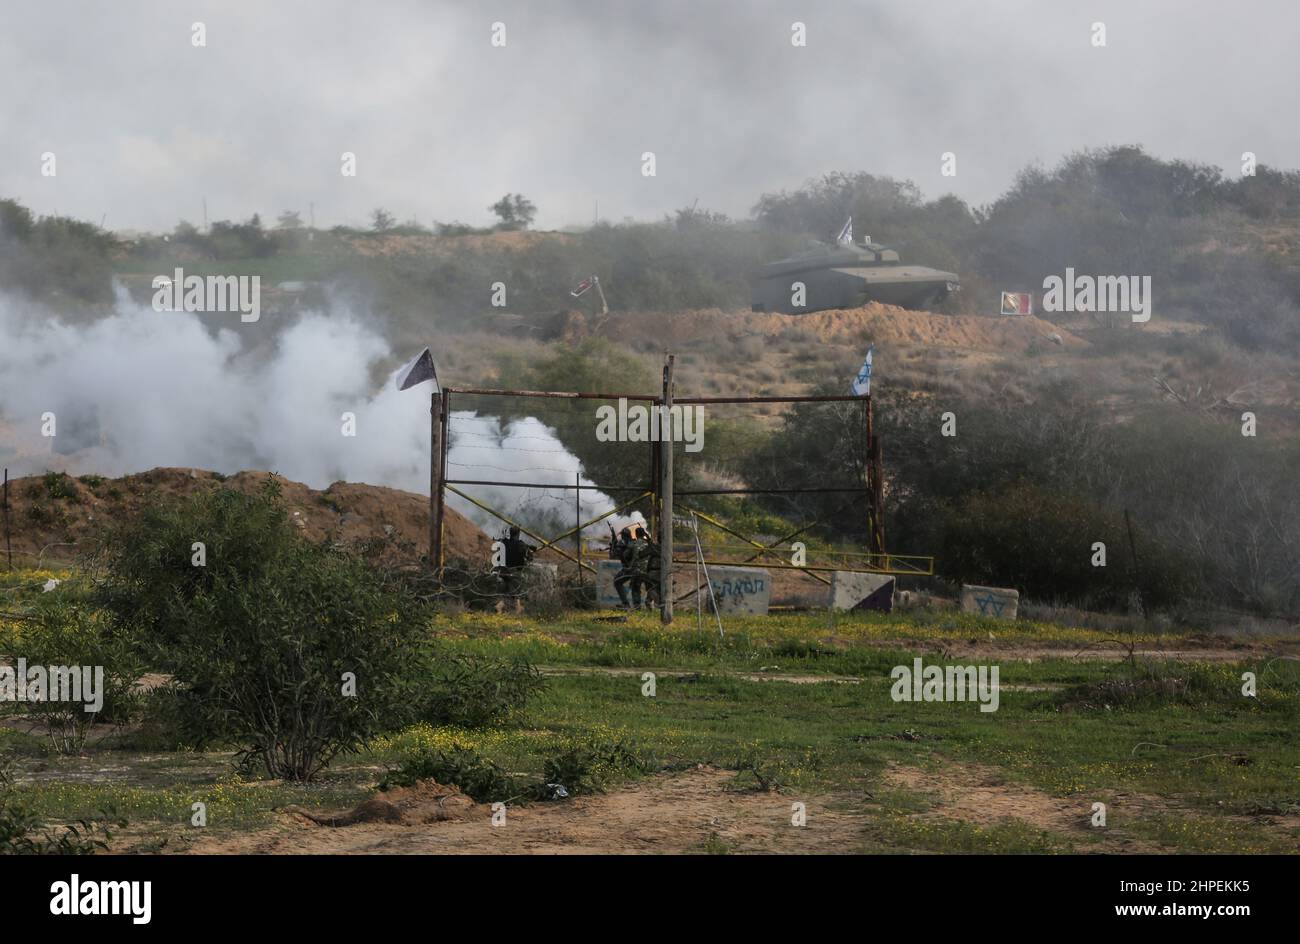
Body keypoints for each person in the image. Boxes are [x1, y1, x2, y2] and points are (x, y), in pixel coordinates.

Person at [497, 526, 535, 601]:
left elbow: (499, 556)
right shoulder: (520, 544)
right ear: (518, 534)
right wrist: (529, 550)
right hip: (514, 572)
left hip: (502, 570)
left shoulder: (504, 542)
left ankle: (501, 606)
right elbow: (530, 557)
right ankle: (518, 607)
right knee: (517, 592)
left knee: (506, 592)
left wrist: (528, 546)